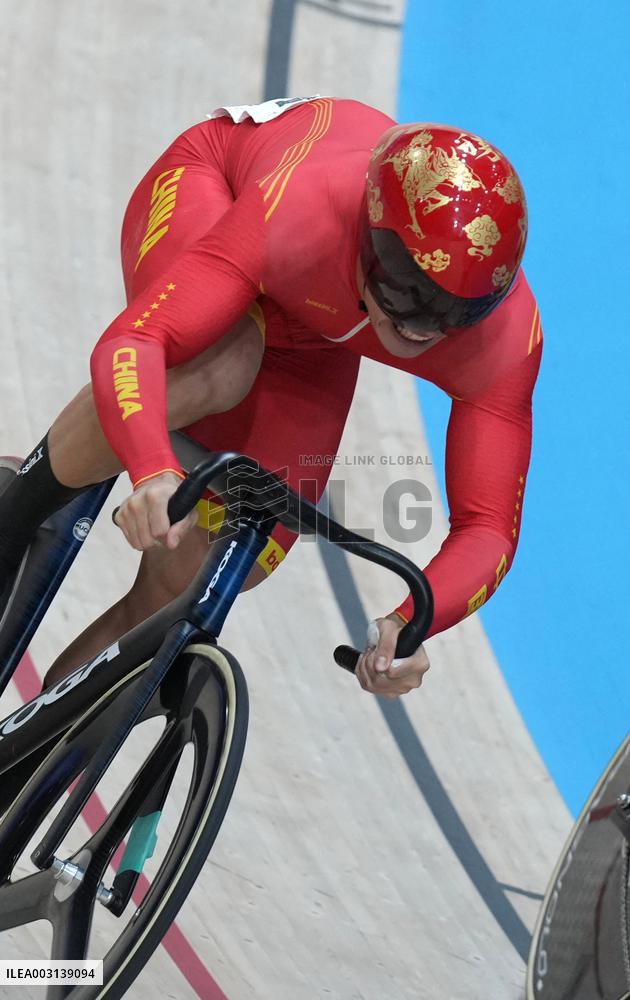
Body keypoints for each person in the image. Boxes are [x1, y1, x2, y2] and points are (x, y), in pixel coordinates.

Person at [0, 97, 541, 697]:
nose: (422, 327)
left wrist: (409, 625)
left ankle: (43, 742)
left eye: (454, 313)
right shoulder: (302, 210)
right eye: (406, 290)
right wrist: (151, 468)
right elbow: (135, 342)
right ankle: (17, 510)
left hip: (316, 325)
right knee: (223, 368)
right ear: (367, 236)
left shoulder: (504, 338)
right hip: (221, 192)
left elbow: (489, 529)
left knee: (221, 558)